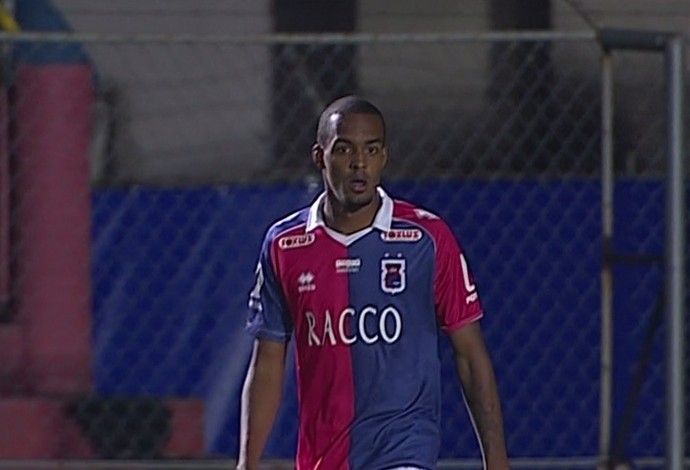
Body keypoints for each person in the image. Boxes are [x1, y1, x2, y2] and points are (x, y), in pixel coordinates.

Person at [238, 96, 509, 470]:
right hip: (322, 456)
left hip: (404, 450)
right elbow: (268, 363)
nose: (359, 163)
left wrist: (497, 463)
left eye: (371, 149)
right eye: (344, 149)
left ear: (385, 157)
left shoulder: (426, 238)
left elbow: (470, 354)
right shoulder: (285, 244)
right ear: (320, 157)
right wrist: (246, 463)